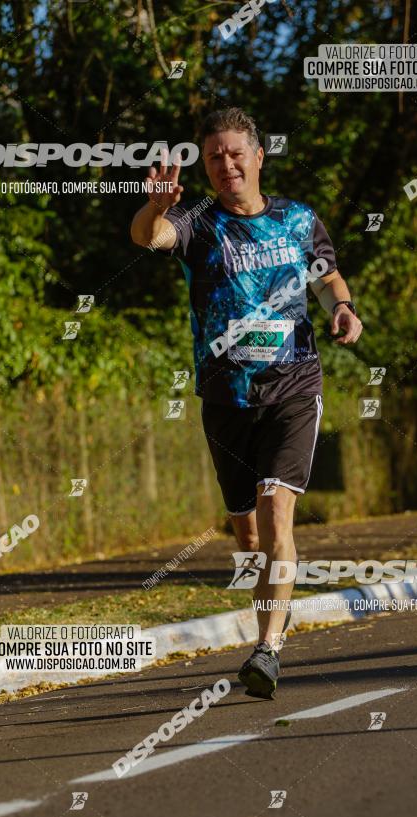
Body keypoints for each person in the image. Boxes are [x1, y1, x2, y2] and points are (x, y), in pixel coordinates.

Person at [131, 108, 362, 698]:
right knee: (250, 535)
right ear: (205, 168)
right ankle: (262, 586)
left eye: (236, 153)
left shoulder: (298, 219)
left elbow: (329, 276)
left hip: (293, 386)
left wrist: (341, 305)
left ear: (259, 156)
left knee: (276, 510)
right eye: (214, 157)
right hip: (226, 397)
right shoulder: (197, 222)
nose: (226, 164)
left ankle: (268, 650)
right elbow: (148, 236)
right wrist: (157, 205)